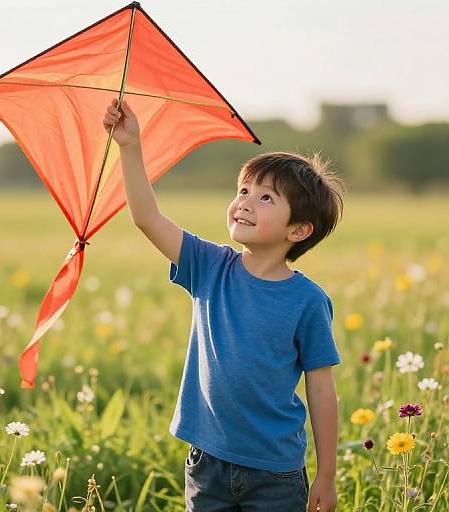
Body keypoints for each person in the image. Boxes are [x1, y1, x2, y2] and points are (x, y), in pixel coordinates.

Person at [103, 98, 346, 512]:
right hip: (207, 463)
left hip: (276, 474)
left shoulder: (307, 301)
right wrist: (129, 147)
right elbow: (147, 216)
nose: (245, 202)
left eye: (266, 198)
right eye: (243, 190)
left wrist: (325, 476)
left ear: (299, 229)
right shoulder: (210, 265)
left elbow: (321, 390)